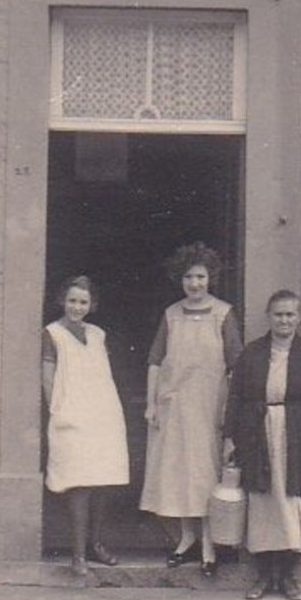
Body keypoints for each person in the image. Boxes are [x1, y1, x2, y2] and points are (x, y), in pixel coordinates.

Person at [223, 289, 301, 600]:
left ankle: (287, 576)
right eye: (278, 314)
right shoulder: (253, 352)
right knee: (263, 502)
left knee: (293, 501)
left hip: (298, 433)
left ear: (298, 317)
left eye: (290, 314)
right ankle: (263, 575)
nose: (284, 320)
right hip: (258, 431)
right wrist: (230, 436)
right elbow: (235, 396)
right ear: (268, 317)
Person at [140, 242, 243, 578]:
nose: (194, 284)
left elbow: (235, 367)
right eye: (188, 277)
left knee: (205, 473)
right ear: (180, 279)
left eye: (200, 277)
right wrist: (152, 403)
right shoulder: (171, 314)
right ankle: (187, 539)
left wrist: (230, 411)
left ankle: (210, 544)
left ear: (210, 278)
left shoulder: (223, 314)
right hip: (175, 407)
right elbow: (155, 361)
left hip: (209, 407)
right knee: (180, 472)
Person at [41, 276, 130, 577]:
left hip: (102, 415)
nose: (77, 307)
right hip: (71, 415)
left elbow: (101, 375)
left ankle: (97, 544)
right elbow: (48, 376)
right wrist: (58, 409)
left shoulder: (98, 334)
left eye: (83, 302)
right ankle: (77, 554)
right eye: (72, 300)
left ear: (91, 305)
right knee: (78, 483)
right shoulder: (52, 333)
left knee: (101, 480)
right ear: (62, 301)